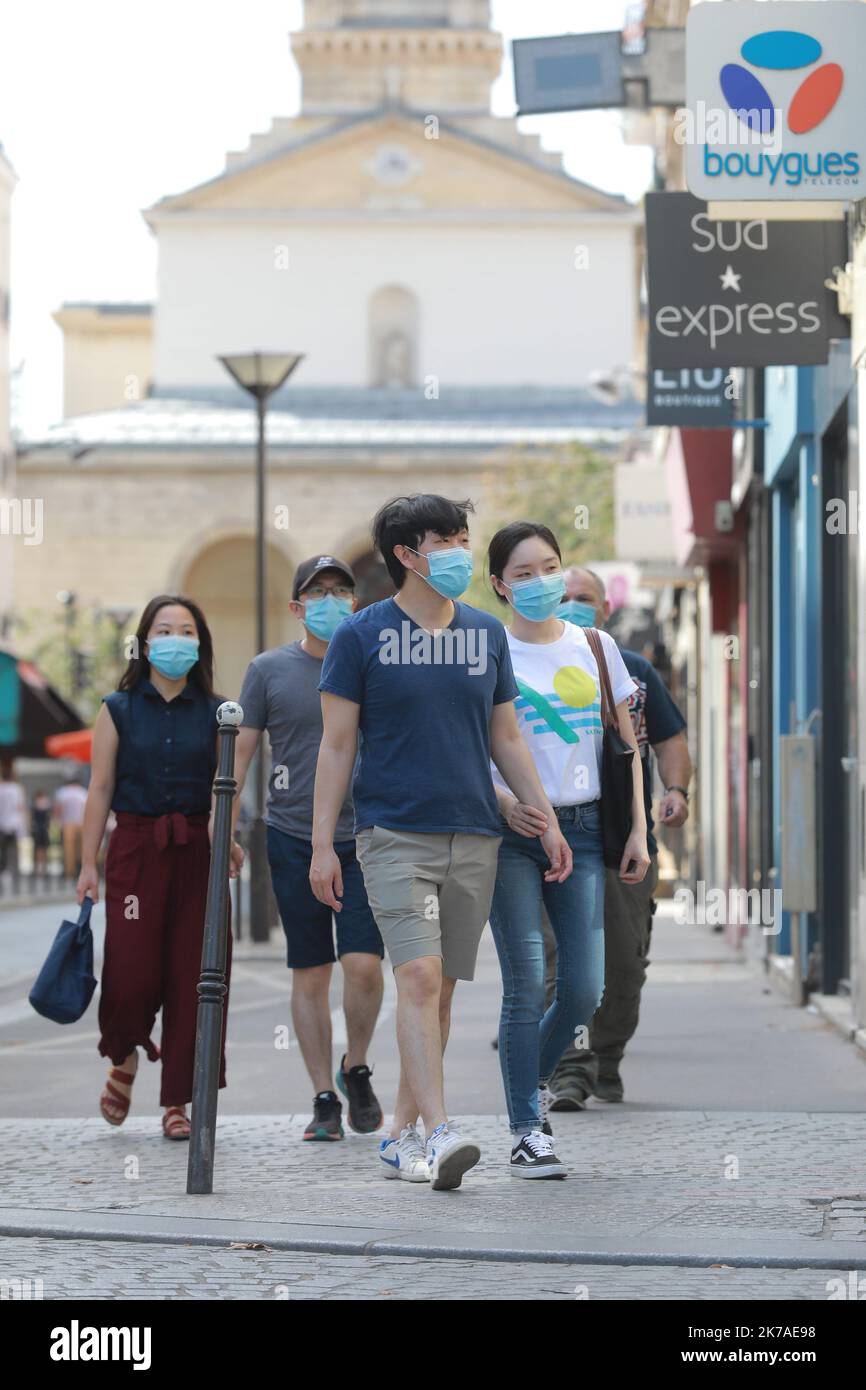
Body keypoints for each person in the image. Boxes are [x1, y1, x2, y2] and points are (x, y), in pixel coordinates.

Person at [310, 494, 572, 1190]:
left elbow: (506, 738)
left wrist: (544, 819)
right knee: (419, 979)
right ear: (405, 555)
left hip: (476, 836)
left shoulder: (486, 634)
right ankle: (442, 1130)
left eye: (463, 537)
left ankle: (397, 1136)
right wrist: (321, 845)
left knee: (441, 994)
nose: (459, 550)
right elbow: (336, 748)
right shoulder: (360, 638)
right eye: (446, 540)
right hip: (393, 834)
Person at [486, 524, 649, 1178]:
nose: (539, 581)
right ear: (499, 584)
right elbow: (476, 745)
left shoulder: (595, 644)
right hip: (513, 833)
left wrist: (634, 828)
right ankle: (528, 1126)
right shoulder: (489, 650)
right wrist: (505, 805)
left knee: (585, 987)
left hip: (583, 830)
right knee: (527, 982)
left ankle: (525, 1069)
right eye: (522, 573)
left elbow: (626, 744)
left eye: (547, 567)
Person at [235, 554, 385, 1143]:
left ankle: (357, 1066)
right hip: (292, 835)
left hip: (366, 837)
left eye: (340, 590)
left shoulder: (374, 663)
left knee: (365, 967)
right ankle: (324, 1094)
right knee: (311, 972)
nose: (330, 600)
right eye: (317, 592)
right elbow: (240, 754)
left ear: (355, 602)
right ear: (297, 606)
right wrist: (227, 830)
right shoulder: (269, 670)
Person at [77, 595, 239, 1140]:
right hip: (137, 849)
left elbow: (226, 793)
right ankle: (123, 1056)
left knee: (195, 976)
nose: (176, 638)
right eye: (165, 629)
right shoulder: (116, 708)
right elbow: (99, 789)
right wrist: (86, 866)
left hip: (197, 851)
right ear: (146, 642)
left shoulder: (220, 713)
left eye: (187, 630)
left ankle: (178, 1101)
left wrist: (227, 838)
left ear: (200, 643)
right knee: (130, 969)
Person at [547, 566, 692, 1108]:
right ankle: (570, 1069)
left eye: (583, 598)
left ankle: (605, 1058)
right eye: (562, 597)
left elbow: (673, 738)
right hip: (551, 839)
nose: (572, 605)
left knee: (624, 964)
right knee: (558, 960)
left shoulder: (632, 671)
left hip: (624, 839)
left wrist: (676, 790)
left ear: (605, 610)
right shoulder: (525, 666)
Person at [53, 775, 87, 880]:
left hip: (67, 823)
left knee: (68, 850)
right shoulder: (83, 792)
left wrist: (56, 822)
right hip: (82, 823)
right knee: (81, 849)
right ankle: (81, 870)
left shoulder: (62, 792)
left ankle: (69, 872)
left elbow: (58, 809)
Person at [0, 762, 25, 883]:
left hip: (2, 824)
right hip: (14, 823)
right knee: (13, 851)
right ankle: (14, 873)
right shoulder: (16, 789)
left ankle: (3, 870)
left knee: (3, 850)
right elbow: (20, 807)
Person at [31, 789, 52, 876]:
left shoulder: (36, 805)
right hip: (42, 828)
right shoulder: (46, 804)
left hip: (39, 828)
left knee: (39, 848)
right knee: (42, 849)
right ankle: (42, 867)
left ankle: (40, 868)